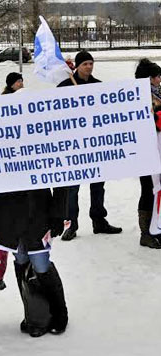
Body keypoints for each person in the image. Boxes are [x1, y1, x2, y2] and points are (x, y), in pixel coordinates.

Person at [57, 50, 122, 240]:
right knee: (72, 188)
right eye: (85, 64)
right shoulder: (65, 87)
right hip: (73, 145)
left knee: (98, 185)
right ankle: (71, 224)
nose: (89, 66)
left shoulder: (97, 86)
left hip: (95, 145)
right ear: (77, 66)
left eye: (91, 63)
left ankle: (99, 220)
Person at [134, 58, 161, 248]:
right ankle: (145, 233)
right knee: (148, 190)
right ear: (150, 79)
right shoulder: (138, 96)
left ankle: (157, 227)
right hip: (145, 151)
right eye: (158, 76)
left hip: (159, 148)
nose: (160, 79)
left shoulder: (157, 94)